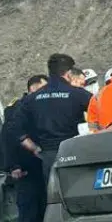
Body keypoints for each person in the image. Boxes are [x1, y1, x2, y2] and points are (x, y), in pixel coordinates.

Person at [16, 53, 93, 194]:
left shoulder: (32, 99)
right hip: (74, 151)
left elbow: (16, 129)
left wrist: (34, 148)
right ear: (69, 73)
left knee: (55, 197)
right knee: (79, 194)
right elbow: (101, 116)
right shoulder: (78, 94)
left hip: (48, 156)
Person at [3, 74, 49, 222]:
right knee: (28, 217)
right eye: (43, 89)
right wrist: (13, 166)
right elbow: (7, 138)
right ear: (33, 88)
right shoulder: (17, 110)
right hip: (25, 170)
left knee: (42, 214)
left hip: (40, 168)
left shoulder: (39, 108)